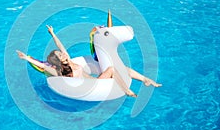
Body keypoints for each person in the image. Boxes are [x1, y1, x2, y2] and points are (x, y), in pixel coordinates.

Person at [17, 25, 162, 97]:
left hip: (95, 81)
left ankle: (146, 80)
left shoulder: (69, 60)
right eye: (60, 55)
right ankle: (126, 90)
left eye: (61, 53)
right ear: (58, 61)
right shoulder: (57, 70)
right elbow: (42, 65)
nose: (63, 53)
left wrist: (53, 33)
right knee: (111, 69)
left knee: (124, 69)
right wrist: (26, 58)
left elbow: (60, 45)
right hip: (93, 86)